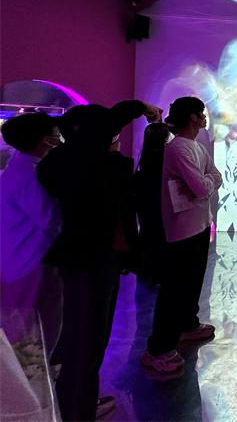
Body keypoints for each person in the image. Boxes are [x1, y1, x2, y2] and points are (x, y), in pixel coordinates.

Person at [38, 100, 161, 421]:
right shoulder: (108, 167)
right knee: (90, 341)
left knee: (78, 336)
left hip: (76, 256)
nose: (115, 138)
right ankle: (79, 410)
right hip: (99, 258)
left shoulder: (56, 164)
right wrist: (142, 111)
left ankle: (73, 403)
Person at [142, 97, 222, 378]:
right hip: (181, 229)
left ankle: (188, 324)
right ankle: (158, 348)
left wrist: (205, 183)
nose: (204, 118)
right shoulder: (178, 148)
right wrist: (205, 183)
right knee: (174, 288)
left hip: (199, 225)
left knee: (192, 282)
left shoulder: (196, 147)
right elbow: (202, 187)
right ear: (192, 117)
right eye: (201, 113)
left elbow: (215, 177)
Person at [0, 113, 62, 355]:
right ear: (45, 139)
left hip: (18, 256)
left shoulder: (19, 166)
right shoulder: (31, 174)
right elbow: (50, 219)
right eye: (56, 134)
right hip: (32, 260)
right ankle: (35, 374)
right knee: (35, 327)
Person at [135, 122, 172, 285]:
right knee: (161, 237)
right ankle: (159, 274)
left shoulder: (144, 156)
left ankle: (146, 270)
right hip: (162, 202)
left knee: (148, 233)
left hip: (146, 202)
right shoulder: (166, 157)